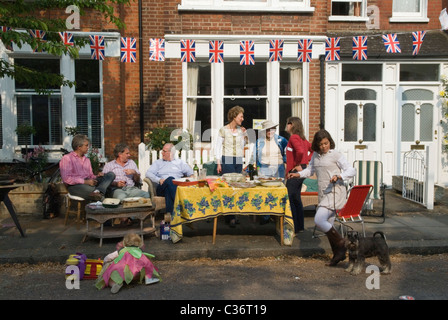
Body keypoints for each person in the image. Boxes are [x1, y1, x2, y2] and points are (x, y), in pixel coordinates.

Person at [289, 129, 356, 266]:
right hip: (323, 192)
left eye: (326, 143)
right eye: (321, 144)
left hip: (335, 191)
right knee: (329, 225)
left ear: (329, 142)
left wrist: (339, 176)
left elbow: (351, 170)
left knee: (319, 220)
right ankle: (337, 255)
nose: (324, 147)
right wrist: (298, 174)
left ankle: (342, 244)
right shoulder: (315, 156)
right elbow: (311, 170)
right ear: (317, 145)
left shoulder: (336, 155)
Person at [95, 233, 162, 294]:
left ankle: (114, 284)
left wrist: (105, 262)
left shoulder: (121, 250)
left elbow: (109, 257)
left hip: (123, 271)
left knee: (110, 276)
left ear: (124, 243)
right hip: (137, 272)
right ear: (139, 243)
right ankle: (148, 279)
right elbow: (146, 263)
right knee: (146, 264)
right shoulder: (139, 251)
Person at [250, 120, 288, 225]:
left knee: (279, 192)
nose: (270, 131)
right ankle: (265, 216)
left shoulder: (282, 140)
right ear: (264, 131)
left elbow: (287, 152)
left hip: (278, 168)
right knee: (264, 192)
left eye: (272, 129)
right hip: (264, 168)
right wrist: (255, 167)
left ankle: (279, 216)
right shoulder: (259, 141)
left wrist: (285, 163)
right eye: (268, 130)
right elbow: (255, 155)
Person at [214, 105, 247, 227]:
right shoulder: (223, 130)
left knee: (237, 186)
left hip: (238, 159)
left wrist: (244, 136)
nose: (242, 119)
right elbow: (218, 147)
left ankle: (233, 214)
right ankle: (230, 216)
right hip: (226, 158)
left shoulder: (240, 130)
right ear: (234, 116)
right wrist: (218, 162)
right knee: (228, 187)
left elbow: (242, 146)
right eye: (241, 116)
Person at [60, 134, 115, 201]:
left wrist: (97, 176)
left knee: (111, 175)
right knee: (98, 191)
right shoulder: (67, 158)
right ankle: (99, 194)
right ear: (79, 147)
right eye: (86, 145)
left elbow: (90, 175)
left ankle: (98, 191)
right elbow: (66, 179)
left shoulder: (87, 160)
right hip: (75, 186)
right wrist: (85, 182)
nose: (88, 147)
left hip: (89, 183)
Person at [145, 143, 193, 216]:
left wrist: (187, 180)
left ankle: (170, 216)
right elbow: (148, 173)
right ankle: (182, 207)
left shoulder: (180, 163)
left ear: (171, 153)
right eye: (162, 151)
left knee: (169, 189)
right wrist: (159, 180)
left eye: (164, 151)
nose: (162, 153)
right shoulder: (158, 163)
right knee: (170, 179)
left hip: (175, 188)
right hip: (161, 188)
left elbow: (191, 174)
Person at [284, 117, 313, 234]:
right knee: (296, 199)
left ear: (292, 125)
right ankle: (299, 226)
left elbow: (301, 152)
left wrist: (299, 164)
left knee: (290, 198)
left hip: (295, 171)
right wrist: (305, 163)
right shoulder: (302, 138)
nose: (286, 125)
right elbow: (313, 150)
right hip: (301, 170)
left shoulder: (294, 137)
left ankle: (294, 227)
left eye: (288, 123)